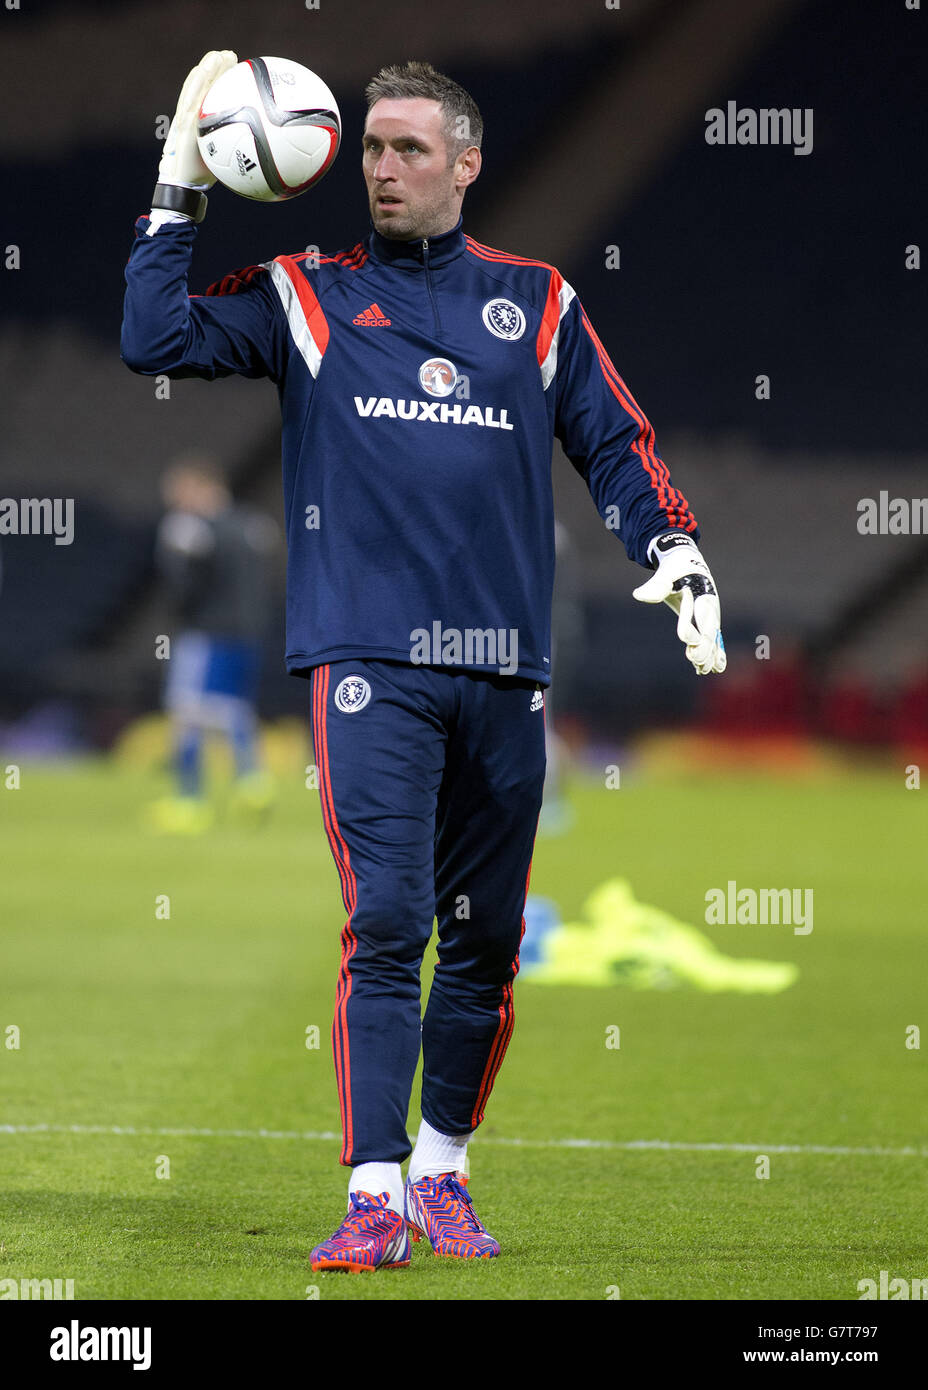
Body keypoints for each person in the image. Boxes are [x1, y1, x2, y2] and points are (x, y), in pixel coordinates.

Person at [121, 52, 726, 1272]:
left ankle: (443, 1168)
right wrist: (181, 172)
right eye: (372, 148)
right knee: (387, 919)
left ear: (465, 162)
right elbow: (155, 335)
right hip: (366, 663)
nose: (383, 170)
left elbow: (614, 440)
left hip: (503, 666)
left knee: (486, 939)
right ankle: (372, 1190)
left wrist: (673, 546)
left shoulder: (538, 302)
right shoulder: (307, 292)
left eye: (407, 149)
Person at [149, 451, 277, 833]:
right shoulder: (255, 526)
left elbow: (184, 588)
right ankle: (253, 782)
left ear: (198, 487)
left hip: (207, 633)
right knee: (232, 708)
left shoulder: (194, 531)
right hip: (251, 634)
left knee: (187, 712)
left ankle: (190, 803)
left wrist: (175, 556)